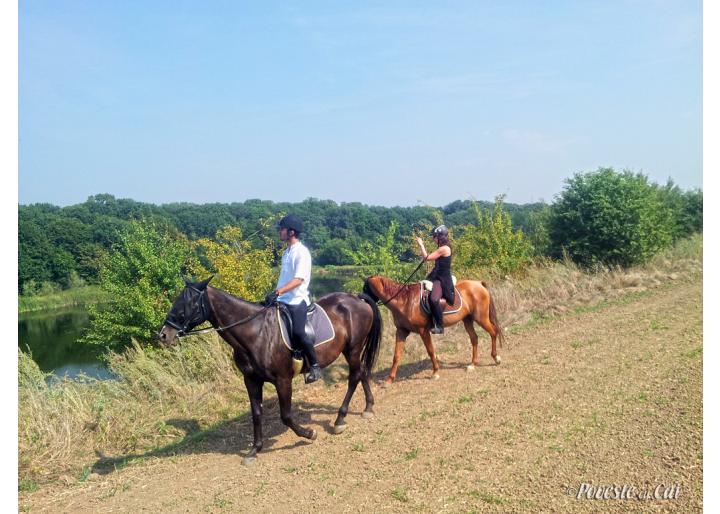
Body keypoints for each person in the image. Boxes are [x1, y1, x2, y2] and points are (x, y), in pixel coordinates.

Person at [264, 214, 322, 383]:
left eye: (281, 229)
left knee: (298, 331)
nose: (279, 232)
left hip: (297, 299)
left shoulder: (302, 252)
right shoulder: (287, 252)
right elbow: (284, 278)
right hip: (282, 299)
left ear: (291, 232)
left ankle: (315, 366)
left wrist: (279, 292)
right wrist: (275, 293)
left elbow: (298, 280)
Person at [415, 225, 455, 334]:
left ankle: (439, 326)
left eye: (435, 236)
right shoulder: (442, 248)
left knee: (434, 299)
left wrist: (421, 245)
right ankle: (429, 320)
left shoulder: (444, 249)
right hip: (435, 275)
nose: (433, 238)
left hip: (442, 279)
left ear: (440, 237)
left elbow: (427, 258)